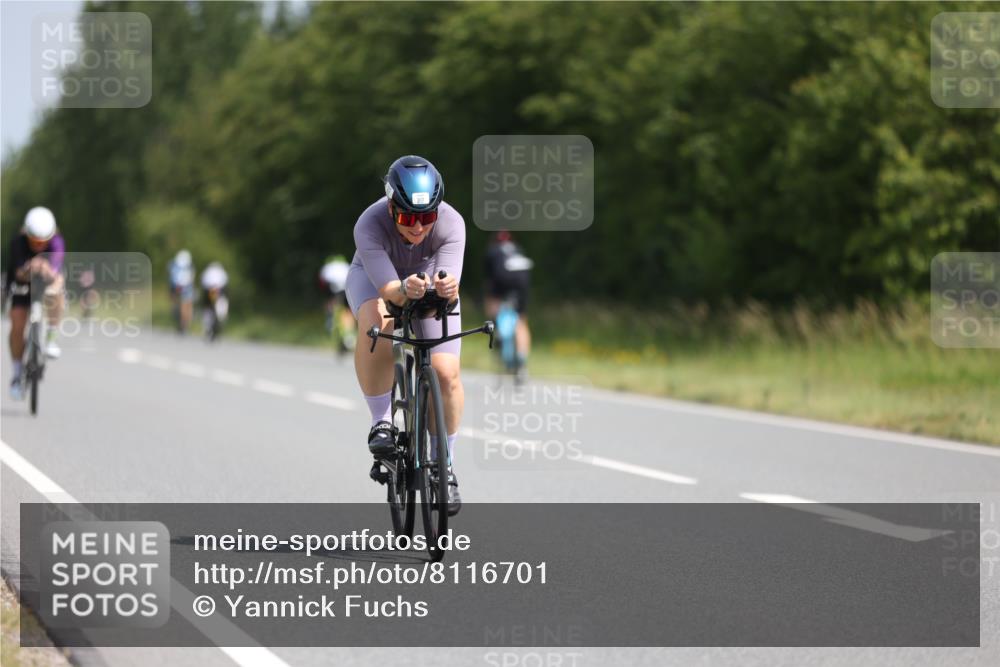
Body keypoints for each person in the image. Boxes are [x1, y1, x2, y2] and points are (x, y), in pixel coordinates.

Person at [346, 155, 465, 515]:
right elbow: (389, 291)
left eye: (427, 218)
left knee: (446, 372)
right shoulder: (369, 223)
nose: (418, 227)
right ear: (391, 207)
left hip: (427, 278)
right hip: (376, 279)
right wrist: (402, 289)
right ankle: (381, 421)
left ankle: (445, 465)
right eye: (409, 218)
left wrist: (446, 290)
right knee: (379, 321)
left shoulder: (452, 223)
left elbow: (449, 285)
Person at [5, 206, 65, 399]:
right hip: (22, 282)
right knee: (17, 322)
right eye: (34, 241)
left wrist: (47, 270)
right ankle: (16, 374)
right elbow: (18, 274)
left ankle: (51, 338)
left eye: (42, 242)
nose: (38, 246)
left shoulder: (57, 243)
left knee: (57, 292)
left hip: (46, 281)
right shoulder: (18, 243)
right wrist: (29, 268)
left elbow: (56, 274)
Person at [484, 230, 533, 379]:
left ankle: (497, 329)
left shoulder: (492, 251)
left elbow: (489, 278)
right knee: (521, 321)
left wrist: (490, 300)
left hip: (501, 280)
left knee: (493, 303)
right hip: (521, 282)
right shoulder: (518, 249)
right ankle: (522, 360)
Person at [318, 254, 355, 349]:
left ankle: (330, 318)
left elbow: (322, 282)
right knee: (347, 311)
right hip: (346, 286)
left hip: (331, 286)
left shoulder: (327, 267)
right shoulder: (345, 265)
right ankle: (349, 335)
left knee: (330, 301)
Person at [200, 261, 229, 341]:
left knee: (209, 309)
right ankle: (212, 326)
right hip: (215, 294)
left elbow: (203, 283)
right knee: (213, 310)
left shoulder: (207, 272)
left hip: (211, 294)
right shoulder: (221, 272)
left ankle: (210, 326)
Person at [168, 249, 195, 333]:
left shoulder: (174, 265)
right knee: (186, 305)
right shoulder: (189, 267)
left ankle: (183, 323)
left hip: (177, 288)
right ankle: (185, 324)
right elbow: (191, 278)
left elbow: (171, 277)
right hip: (185, 289)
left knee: (179, 305)